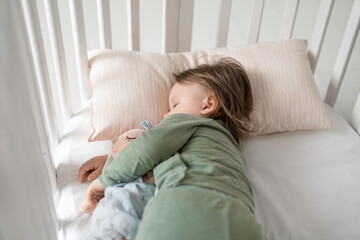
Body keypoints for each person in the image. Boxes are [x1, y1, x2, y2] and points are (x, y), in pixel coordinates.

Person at [81, 57, 267, 240]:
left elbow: (146, 149)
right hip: (243, 219)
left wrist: (103, 181)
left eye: (175, 104)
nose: (167, 114)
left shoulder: (185, 121)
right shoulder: (230, 147)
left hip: (187, 202)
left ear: (208, 105)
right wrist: (109, 158)